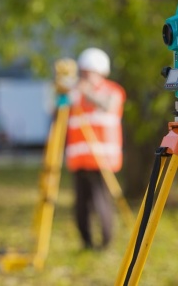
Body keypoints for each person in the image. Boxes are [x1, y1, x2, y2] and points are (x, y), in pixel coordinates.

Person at [65, 47, 126, 250]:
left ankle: (106, 242)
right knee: (81, 206)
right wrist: (63, 91)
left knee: (101, 203)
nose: (85, 76)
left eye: (89, 71)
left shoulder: (113, 90)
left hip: (101, 158)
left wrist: (87, 92)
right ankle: (87, 243)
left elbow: (108, 105)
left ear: (101, 71)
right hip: (79, 159)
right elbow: (58, 111)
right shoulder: (75, 93)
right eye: (83, 72)